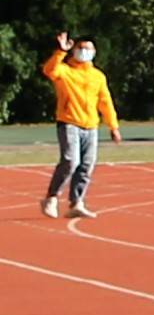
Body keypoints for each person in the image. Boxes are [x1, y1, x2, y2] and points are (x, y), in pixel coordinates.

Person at [39, 27, 110, 218]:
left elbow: (105, 101)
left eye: (89, 49)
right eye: (81, 48)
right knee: (71, 161)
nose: (85, 52)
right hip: (69, 121)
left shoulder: (98, 76)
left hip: (91, 125)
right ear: (74, 49)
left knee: (86, 165)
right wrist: (60, 51)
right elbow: (49, 70)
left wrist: (113, 125)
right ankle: (51, 197)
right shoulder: (65, 70)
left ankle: (76, 202)